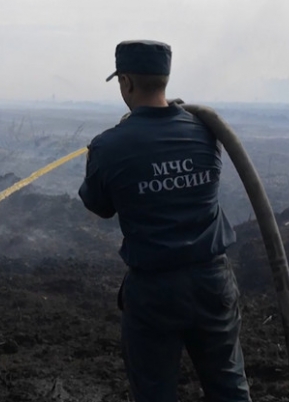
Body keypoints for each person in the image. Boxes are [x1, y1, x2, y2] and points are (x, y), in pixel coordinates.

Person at [78, 40, 252, 402]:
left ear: (125, 82)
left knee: (154, 394)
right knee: (229, 388)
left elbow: (99, 205)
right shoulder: (206, 131)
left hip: (154, 293)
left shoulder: (108, 145)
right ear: (165, 80)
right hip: (212, 282)